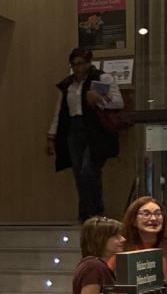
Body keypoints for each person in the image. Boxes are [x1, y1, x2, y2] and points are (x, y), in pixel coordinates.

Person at [46, 47, 123, 222]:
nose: (77, 68)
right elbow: (60, 111)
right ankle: (85, 213)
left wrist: (99, 101)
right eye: (73, 65)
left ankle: (96, 211)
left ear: (89, 63)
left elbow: (119, 102)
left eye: (80, 64)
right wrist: (52, 135)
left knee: (89, 171)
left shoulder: (101, 78)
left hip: (96, 131)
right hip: (74, 129)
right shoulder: (67, 85)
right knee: (78, 173)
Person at [69, 217, 125, 294]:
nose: (123, 239)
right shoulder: (94, 267)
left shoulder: (93, 265)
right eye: (116, 236)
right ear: (100, 239)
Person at [120, 196, 167, 286]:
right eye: (146, 214)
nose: (154, 219)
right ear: (133, 220)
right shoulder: (122, 247)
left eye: (158, 214)